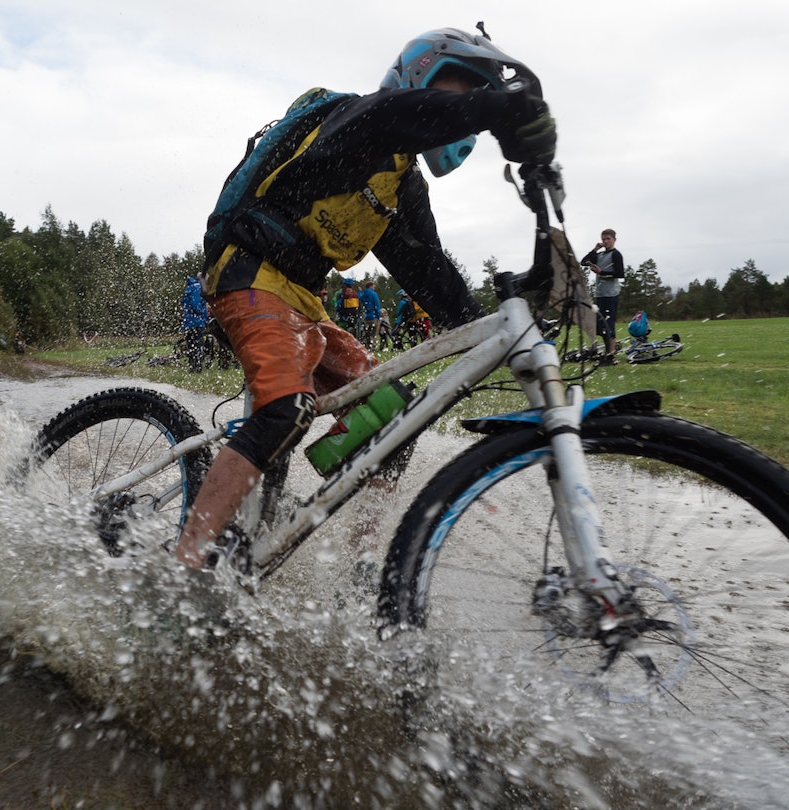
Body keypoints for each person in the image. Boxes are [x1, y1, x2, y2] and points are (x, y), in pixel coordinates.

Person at [174, 26, 556, 567]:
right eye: (464, 84)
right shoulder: (362, 118)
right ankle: (180, 571)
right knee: (286, 408)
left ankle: (359, 573)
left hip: (302, 304)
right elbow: (396, 118)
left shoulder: (402, 185)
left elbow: (427, 271)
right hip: (246, 274)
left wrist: (496, 326)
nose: (467, 101)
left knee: (392, 423)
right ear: (419, 75)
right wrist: (498, 108)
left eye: (479, 90)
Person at [581, 229, 625, 364]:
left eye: (608, 239)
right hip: (600, 294)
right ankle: (607, 353)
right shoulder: (599, 255)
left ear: (614, 239)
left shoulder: (616, 255)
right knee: (601, 325)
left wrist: (602, 272)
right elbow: (584, 262)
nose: (605, 241)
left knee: (609, 324)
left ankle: (611, 356)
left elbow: (620, 273)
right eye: (603, 239)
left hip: (611, 294)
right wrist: (595, 249)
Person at [180, 275, 208, 372]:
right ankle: (197, 367)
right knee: (198, 344)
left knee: (190, 344)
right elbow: (195, 304)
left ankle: (192, 366)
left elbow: (183, 302)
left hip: (188, 322)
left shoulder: (189, 288)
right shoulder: (197, 287)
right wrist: (203, 312)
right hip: (197, 322)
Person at [359, 279, 383, 351]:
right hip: (374, 316)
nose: (374, 287)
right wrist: (378, 315)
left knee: (367, 333)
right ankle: (373, 347)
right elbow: (377, 305)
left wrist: (360, 292)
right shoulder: (373, 294)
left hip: (366, 317)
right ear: (370, 286)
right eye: (373, 286)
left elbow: (360, 298)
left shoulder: (364, 294)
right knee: (374, 334)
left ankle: (367, 346)